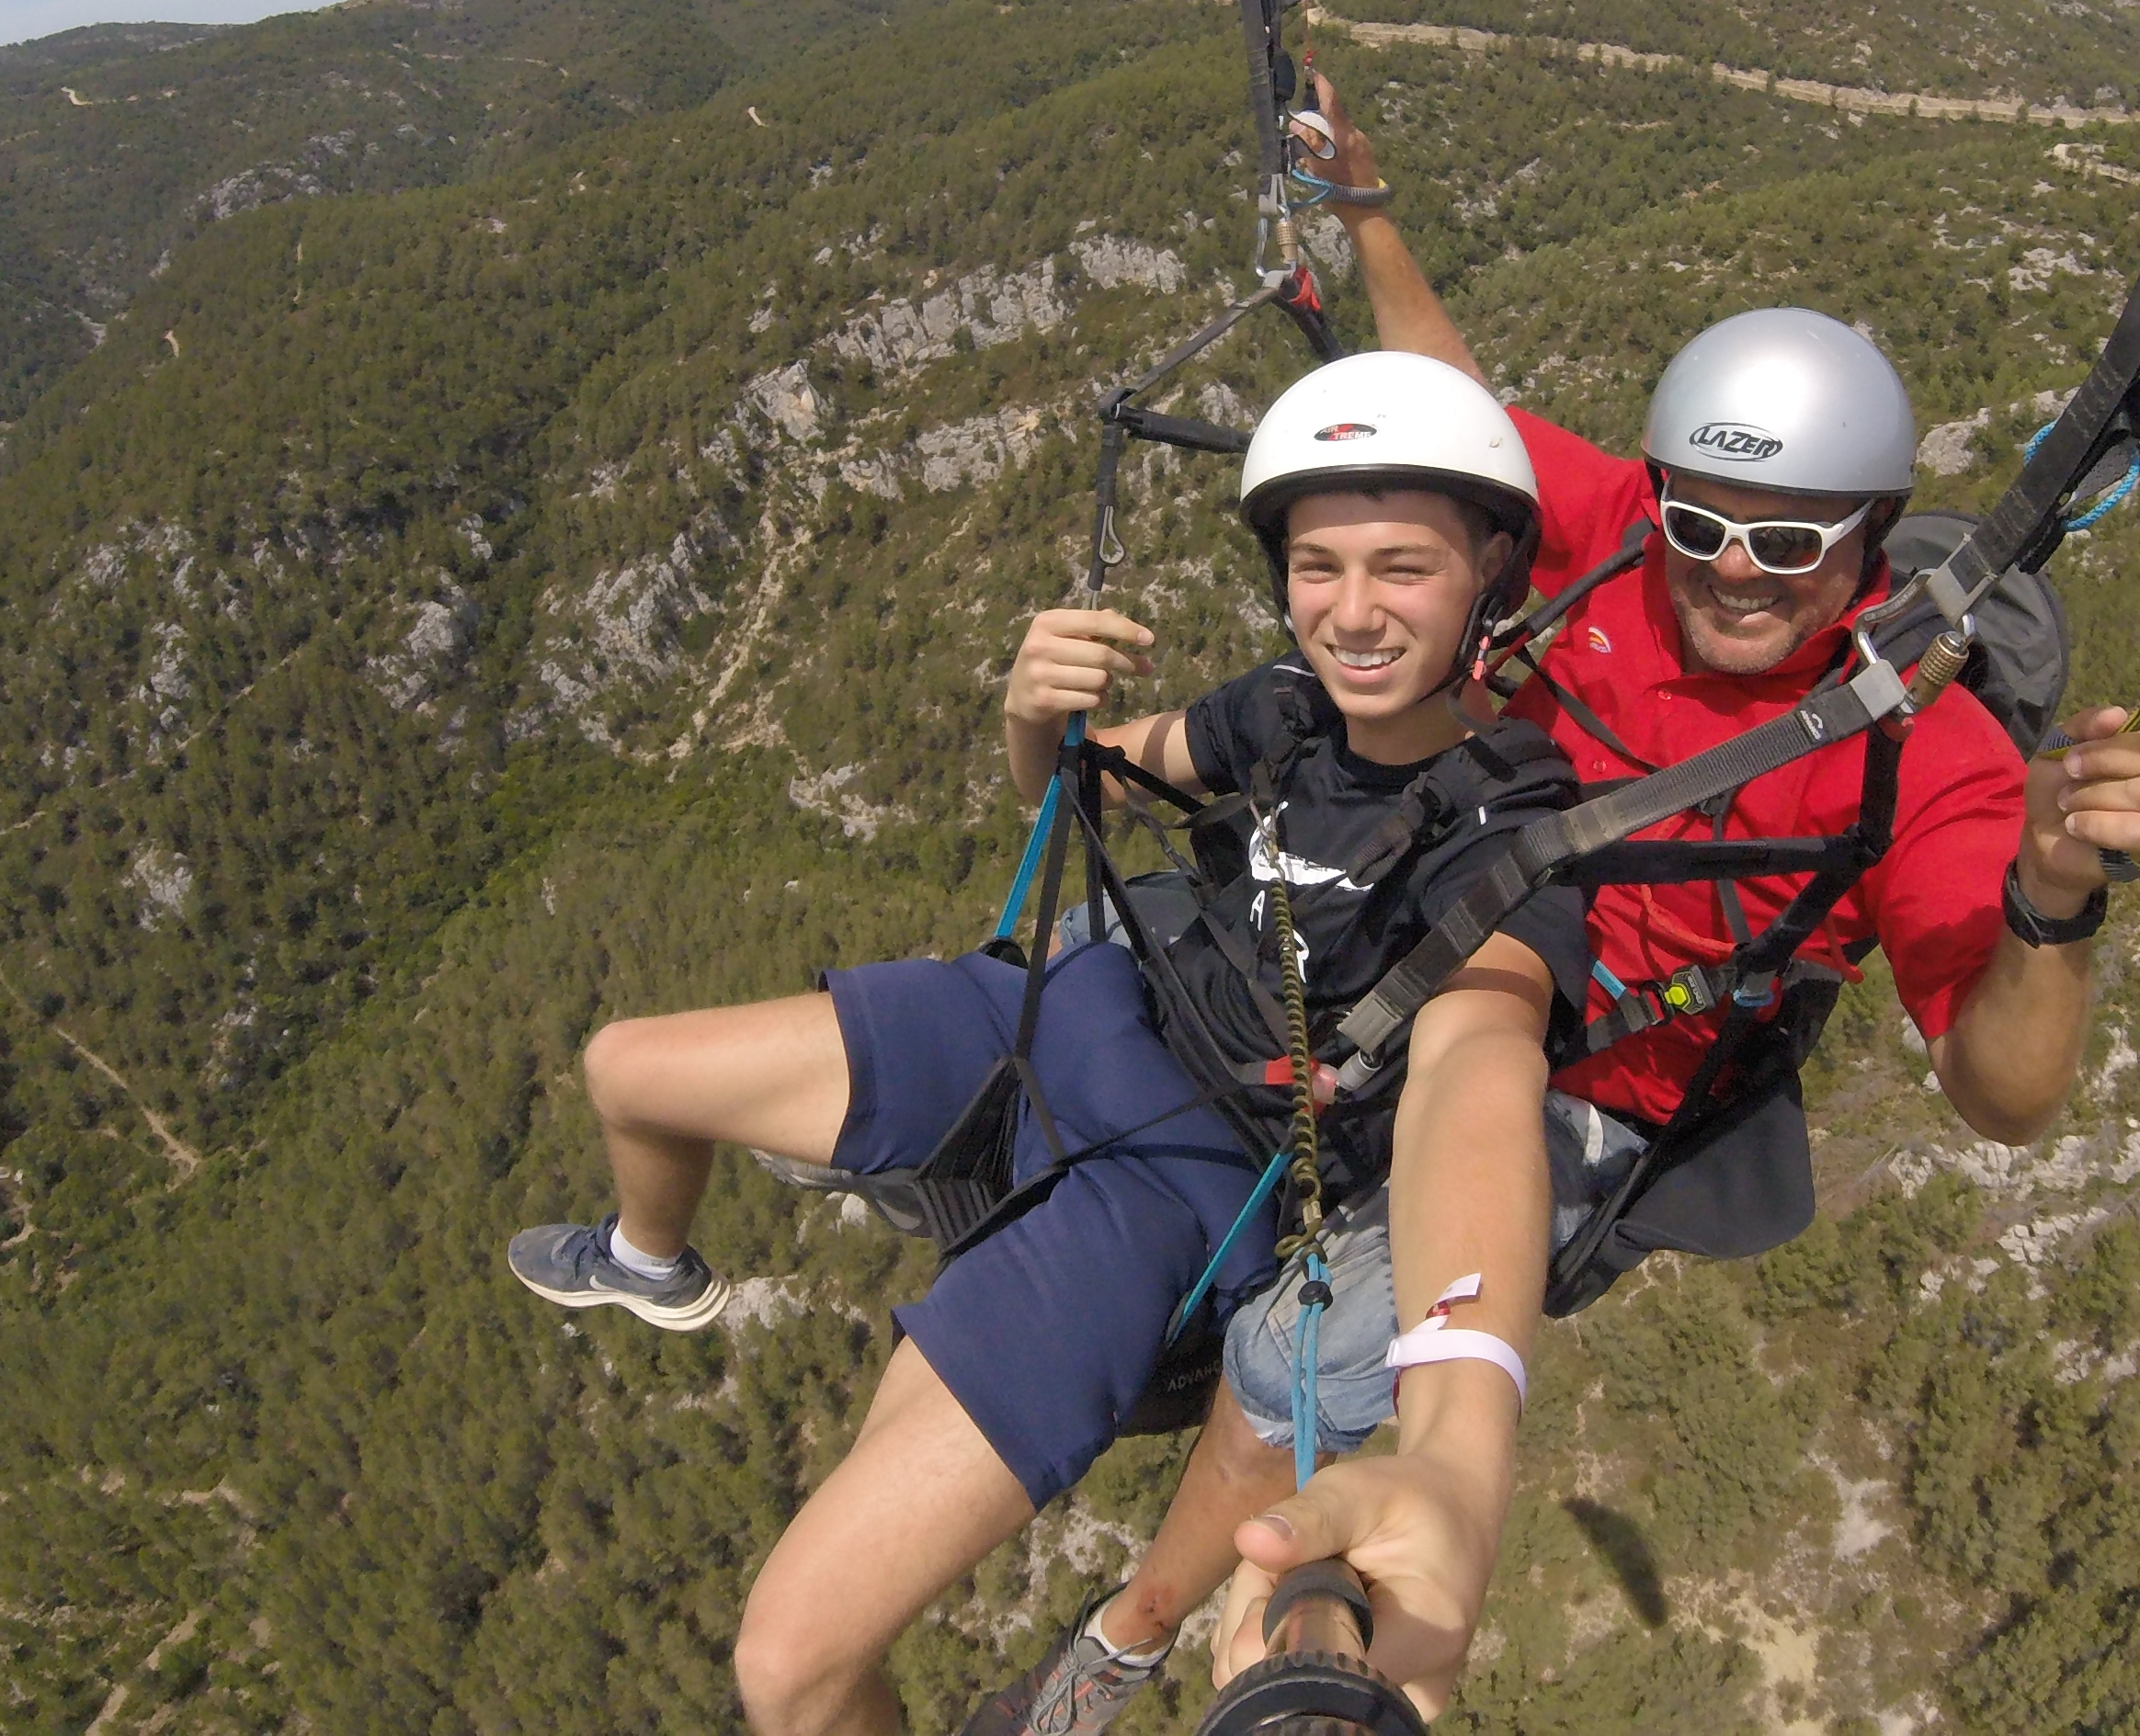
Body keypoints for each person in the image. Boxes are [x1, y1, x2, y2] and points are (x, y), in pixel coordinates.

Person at [978, 81, 2140, 1735]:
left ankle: (1129, 1628)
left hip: (1591, 1072)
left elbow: (2007, 1097)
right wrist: (1370, 211)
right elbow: (1456, 408)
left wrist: (2050, 905)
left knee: (1307, 1367)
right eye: (1703, 522)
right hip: (1422, 922)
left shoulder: (1936, 755)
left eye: (1794, 542)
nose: (1737, 571)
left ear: (1873, 540)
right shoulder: (1622, 537)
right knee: (1071, 979)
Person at [505, 351, 1588, 1736]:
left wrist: (1461, 1433)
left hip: (1182, 1179)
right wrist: (1032, 711)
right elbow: (1063, 795)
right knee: (627, 1068)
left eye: (1405, 569)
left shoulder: (1508, 825)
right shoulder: (1279, 710)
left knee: (790, 1667)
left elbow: (1477, 1065)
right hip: (1064, 1015)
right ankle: (654, 1266)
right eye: (1321, 568)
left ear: (1492, 564)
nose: (1355, 613)